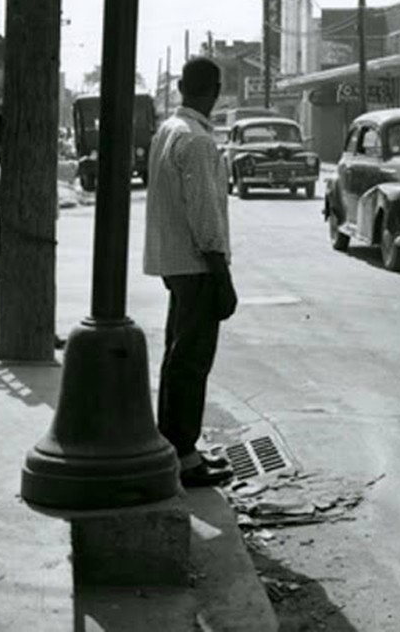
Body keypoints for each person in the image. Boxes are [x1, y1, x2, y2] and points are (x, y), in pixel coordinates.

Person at [144, 57, 238, 489]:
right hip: (198, 265)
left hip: (174, 262)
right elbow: (205, 216)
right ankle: (183, 452)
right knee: (192, 361)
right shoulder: (197, 141)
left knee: (178, 357)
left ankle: (177, 447)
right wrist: (222, 275)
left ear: (182, 86)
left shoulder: (168, 130)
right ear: (215, 91)